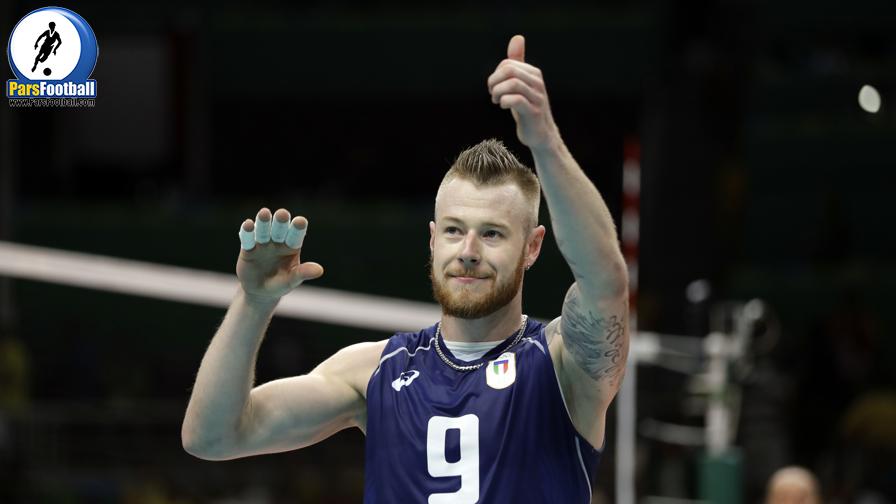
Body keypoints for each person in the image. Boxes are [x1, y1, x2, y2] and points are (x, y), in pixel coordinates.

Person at [182, 34, 630, 503]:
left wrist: (545, 141)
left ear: (533, 247)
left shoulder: (561, 365)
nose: (469, 250)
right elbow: (211, 437)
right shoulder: (373, 371)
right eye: (454, 230)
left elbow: (604, 281)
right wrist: (253, 301)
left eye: (492, 234)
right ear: (433, 239)